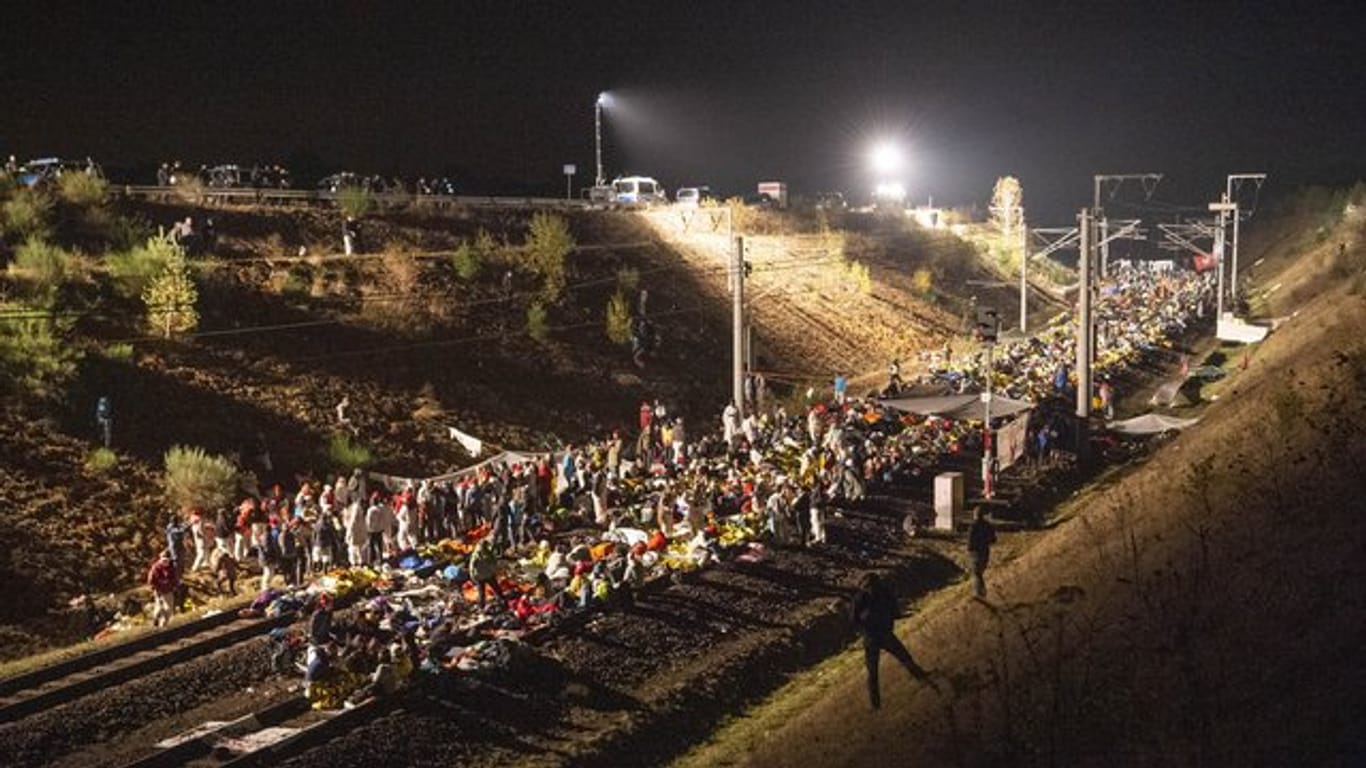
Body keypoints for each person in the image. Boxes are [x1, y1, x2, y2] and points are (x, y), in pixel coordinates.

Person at [850, 572, 932, 709]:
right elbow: (893, 611)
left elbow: (854, 619)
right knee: (900, 659)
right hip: (879, 635)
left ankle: (876, 705)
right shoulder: (876, 594)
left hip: (876, 636)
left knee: (877, 670)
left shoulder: (867, 595)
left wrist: (864, 631)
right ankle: (921, 678)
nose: (871, 589)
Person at [967, 507, 997, 599]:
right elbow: (994, 539)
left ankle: (979, 592)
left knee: (976, 572)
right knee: (979, 572)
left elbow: (970, 540)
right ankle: (981, 591)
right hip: (985, 551)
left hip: (976, 552)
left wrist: (969, 549)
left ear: (975, 515)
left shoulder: (973, 526)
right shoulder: (988, 525)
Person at [147, 551, 179, 627]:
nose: (165, 562)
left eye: (167, 560)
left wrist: (175, 586)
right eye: (163, 560)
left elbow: (175, 578)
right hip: (159, 590)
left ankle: (164, 624)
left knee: (168, 609)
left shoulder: (172, 567)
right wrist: (154, 588)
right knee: (159, 607)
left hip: (168, 590)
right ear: (160, 559)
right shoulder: (155, 567)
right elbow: (151, 580)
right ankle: (156, 619)